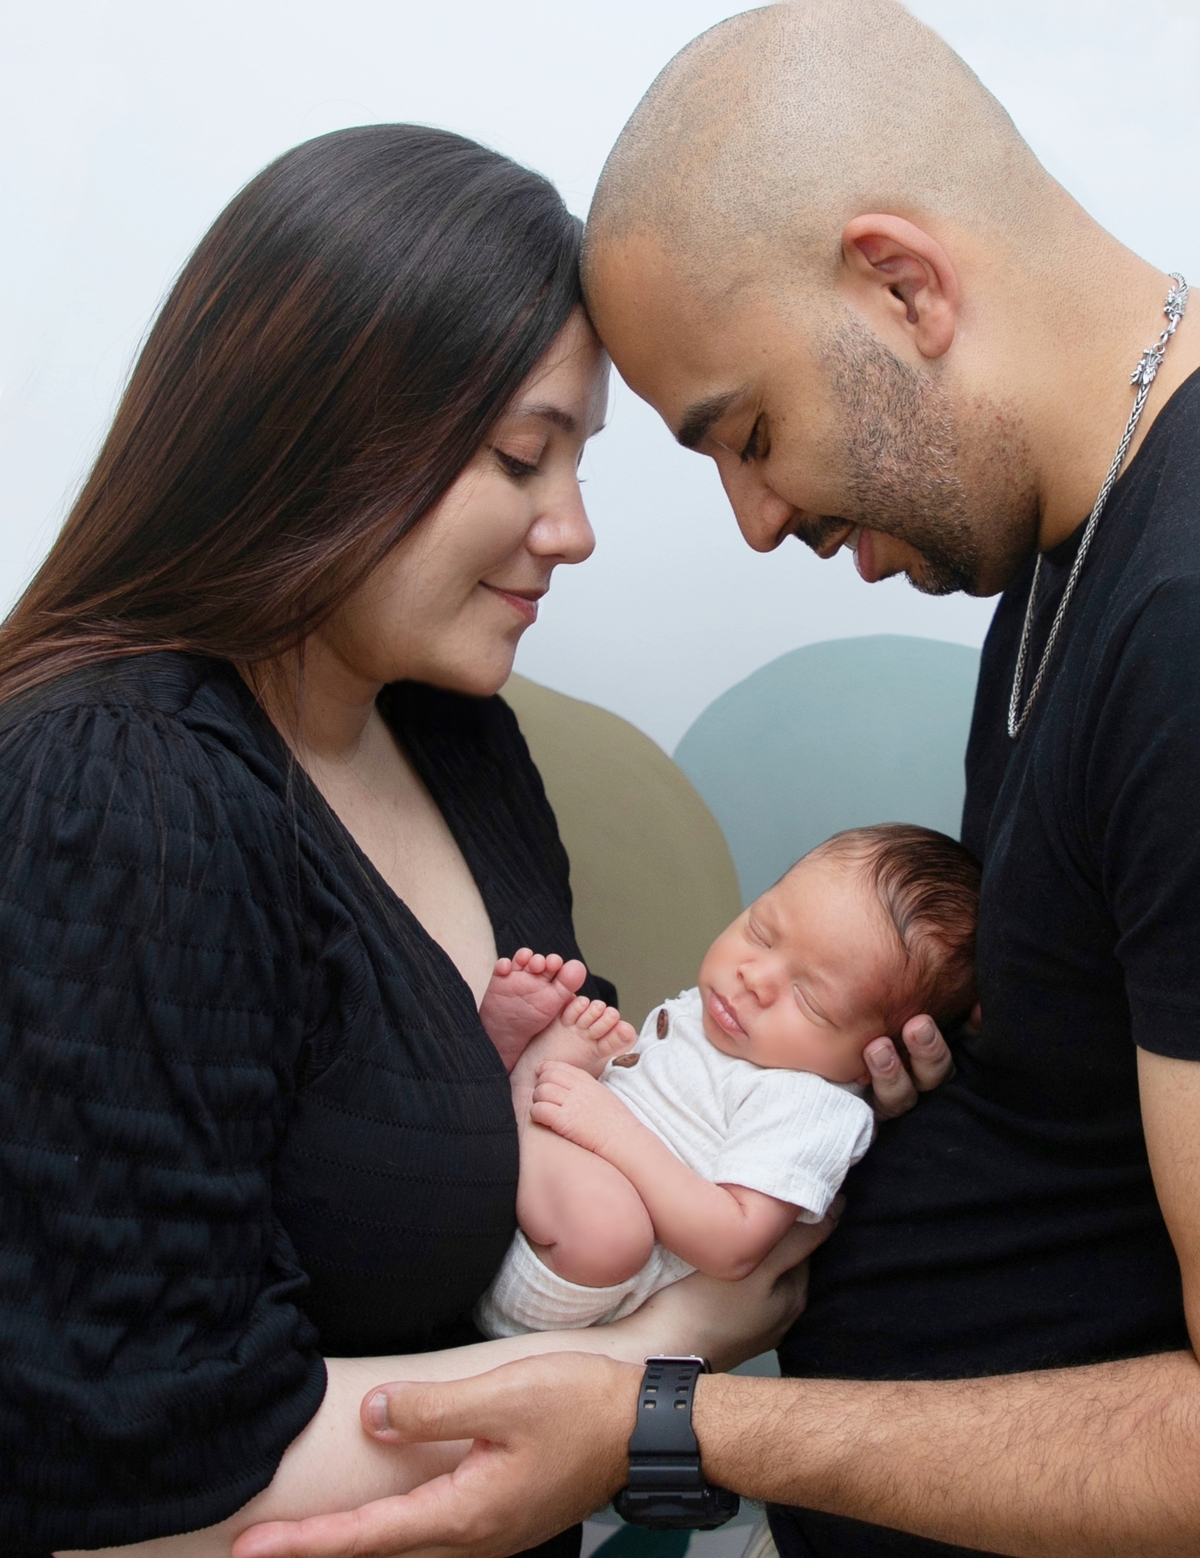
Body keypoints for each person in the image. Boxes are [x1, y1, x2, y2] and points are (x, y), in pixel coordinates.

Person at [233, 4, 1200, 1556]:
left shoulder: (1183, 613)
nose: (756, 520)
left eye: (748, 432)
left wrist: (669, 1416)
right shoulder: (1063, 554)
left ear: (902, 286)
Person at [0, 123, 877, 1558]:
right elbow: (126, 1473)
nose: (573, 529)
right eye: (523, 456)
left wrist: (815, 1078)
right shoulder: (120, 797)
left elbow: (574, 1113)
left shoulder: (461, 739)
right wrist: (666, 1355)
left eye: (577, 462)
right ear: (316, 438)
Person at [474, 825, 978, 1340]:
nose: (754, 978)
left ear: (875, 1059)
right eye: (761, 931)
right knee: (598, 1067)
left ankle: (521, 1084)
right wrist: (601, 1071)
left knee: (611, 1231)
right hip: (538, 1195)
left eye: (810, 999)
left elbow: (733, 1246)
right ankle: (507, 1072)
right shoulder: (727, 1021)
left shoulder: (810, 1108)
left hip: (562, 1290)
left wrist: (609, 1130)